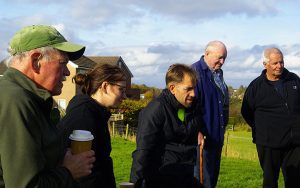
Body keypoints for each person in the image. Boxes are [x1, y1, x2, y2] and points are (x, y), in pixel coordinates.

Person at [0, 25, 95, 188]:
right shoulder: (17, 101)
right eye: (63, 63)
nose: (67, 73)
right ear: (36, 61)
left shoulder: (25, 97)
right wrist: (69, 171)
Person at [130, 64, 204, 188]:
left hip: (186, 176)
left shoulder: (193, 107)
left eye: (195, 88)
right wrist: (134, 184)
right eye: (188, 89)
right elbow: (143, 152)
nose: (194, 94)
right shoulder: (155, 109)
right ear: (172, 88)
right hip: (160, 179)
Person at [58, 63, 127, 188]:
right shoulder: (83, 118)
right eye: (121, 90)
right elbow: (84, 175)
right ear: (105, 86)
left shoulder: (96, 113)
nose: (124, 96)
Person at [241, 47, 300, 187]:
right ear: (265, 64)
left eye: (281, 62)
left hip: (295, 143)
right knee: (270, 181)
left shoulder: (294, 80)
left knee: (295, 180)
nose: (279, 66)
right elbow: (246, 111)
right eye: (275, 63)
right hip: (268, 143)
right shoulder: (256, 86)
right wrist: (262, 128)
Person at [192, 40, 229, 188]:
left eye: (224, 58)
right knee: (202, 180)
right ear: (207, 54)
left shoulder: (218, 73)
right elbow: (188, 106)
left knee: (212, 180)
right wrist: (197, 130)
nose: (222, 62)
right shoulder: (194, 72)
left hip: (216, 137)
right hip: (202, 139)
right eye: (219, 57)